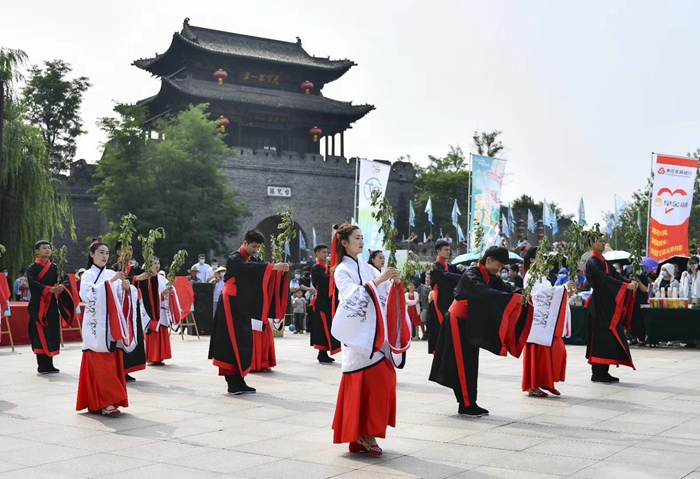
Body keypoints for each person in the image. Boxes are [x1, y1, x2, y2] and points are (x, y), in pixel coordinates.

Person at [330, 223, 411, 455]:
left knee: (384, 382)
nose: (361, 241)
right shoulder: (341, 270)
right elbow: (350, 298)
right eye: (357, 238)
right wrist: (379, 281)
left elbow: (384, 293)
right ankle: (365, 435)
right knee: (373, 384)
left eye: (362, 237)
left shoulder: (368, 268)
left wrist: (394, 282)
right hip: (358, 337)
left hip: (378, 336)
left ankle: (364, 434)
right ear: (344, 243)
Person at [429, 246, 530, 416]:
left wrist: (521, 294)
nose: (499, 270)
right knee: (461, 364)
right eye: (498, 265)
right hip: (457, 321)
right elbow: (484, 292)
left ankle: (470, 401)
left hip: (470, 322)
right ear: (488, 260)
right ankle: (466, 404)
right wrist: (512, 299)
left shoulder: (490, 277)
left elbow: (506, 288)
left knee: (471, 362)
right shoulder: (472, 274)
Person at [208, 230, 289, 395]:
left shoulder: (253, 259)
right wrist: (272, 267)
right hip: (230, 304)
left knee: (244, 342)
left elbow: (261, 269)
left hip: (243, 305)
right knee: (230, 343)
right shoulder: (235, 258)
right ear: (245, 243)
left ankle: (240, 380)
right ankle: (231, 382)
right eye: (253, 246)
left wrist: (278, 270)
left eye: (258, 247)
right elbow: (253, 269)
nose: (255, 250)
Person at [76, 242, 139, 416]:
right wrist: (110, 282)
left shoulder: (112, 273)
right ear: (92, 254)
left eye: (107, 253)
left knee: (111, 363)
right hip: (95, 327)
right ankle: (106, 402)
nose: (104, 256)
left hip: (111, 326)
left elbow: (121, 299)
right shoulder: (88, 275)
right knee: (100, 364)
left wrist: (127, 289)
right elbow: (87, 296)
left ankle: (106, 401)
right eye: (101, 252)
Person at [585, 235, 638, 383]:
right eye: (599, 241)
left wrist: (629, 282)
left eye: (603, 241)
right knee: (599, 336)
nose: (602, 244)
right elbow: (604, 279)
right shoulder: (592, 262)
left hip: (607, 304)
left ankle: (604, 371)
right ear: (592, 243)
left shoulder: (604, 262)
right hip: (599, 305)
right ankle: (597, 372)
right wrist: (624, 286)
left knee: (608, 336)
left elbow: (616, 276)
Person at [521, 247, 572, 398]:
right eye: (540, 258)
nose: (543, 261)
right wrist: (562, 288)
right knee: (537, 353)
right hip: (537, 320)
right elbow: (539, 295)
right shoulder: (531, 275)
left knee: (555, 351)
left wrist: (566, 291)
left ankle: (546, 382)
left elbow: (550, 292)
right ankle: (533, 385)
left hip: (544, 320)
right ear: (531, 260)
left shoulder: (542, 275)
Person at [111, 242, 151, 382]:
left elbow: (145, 277)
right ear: (118, 252)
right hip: (119, 309)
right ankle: (117, 368)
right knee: (120, 338)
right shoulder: (114, 268)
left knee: (132, 335)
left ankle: (127, 369)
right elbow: (112, 283)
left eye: (131, 248)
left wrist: (146, 273)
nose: (129, 251)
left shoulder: (135, 267)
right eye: (125, 249)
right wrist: (135, 278)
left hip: (132, 309)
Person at [27, 240, 63, 374]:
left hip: (52, 305)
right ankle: (41, 365)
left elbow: (64, 279)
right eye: (44, 248)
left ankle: (50, 364)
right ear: (37, 251)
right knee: (39, 333)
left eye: (49, 248)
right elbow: (33, 283)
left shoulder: (55, 267)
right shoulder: (33, 268)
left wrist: (61, 287)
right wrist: (49, 289)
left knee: (52, 332)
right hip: (39, 305)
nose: (47, 250)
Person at [428, 240, 463, 354]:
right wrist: (462, 278)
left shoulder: (451, 266)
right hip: (440, 300)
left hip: (450, 299)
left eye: (449, 250)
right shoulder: (435, 266)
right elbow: (446, 277)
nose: (448, 252)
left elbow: (459, 275)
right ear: (438, 251)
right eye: (446, 250)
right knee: (440, 326)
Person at [311, 243, 340, 363]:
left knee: (328, 326)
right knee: (323, 328)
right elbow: (320, 281)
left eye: (326, 252)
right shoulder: (316, 268)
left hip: (328, 301)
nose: (325, 254)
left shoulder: (328, 267)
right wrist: (334, 276)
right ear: (317, 253)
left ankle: (324, 352)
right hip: (321, 301)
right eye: (323, 252)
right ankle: (321, 353)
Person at [144, 257, 173, 366]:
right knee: (153, 332)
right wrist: (161, 295)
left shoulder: (162, 279)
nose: (157, 265)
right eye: (154, 263)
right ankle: (152, 357)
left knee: (161, 332)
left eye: (158, 263)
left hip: (162, 309)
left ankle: (160, 357)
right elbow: (147, 296)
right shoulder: (147, 279)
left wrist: (170, 292)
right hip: (152, 310)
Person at [417, 274, 431, 341]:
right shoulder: (421, 287)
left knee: (428, 322)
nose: (428, 279)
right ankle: (424, 333)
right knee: (422, 320)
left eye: (429, 278)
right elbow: (417, 293)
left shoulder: (433, 287)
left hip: (430, 307)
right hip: (423, 306)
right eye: (427, 277)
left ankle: (427, 333)